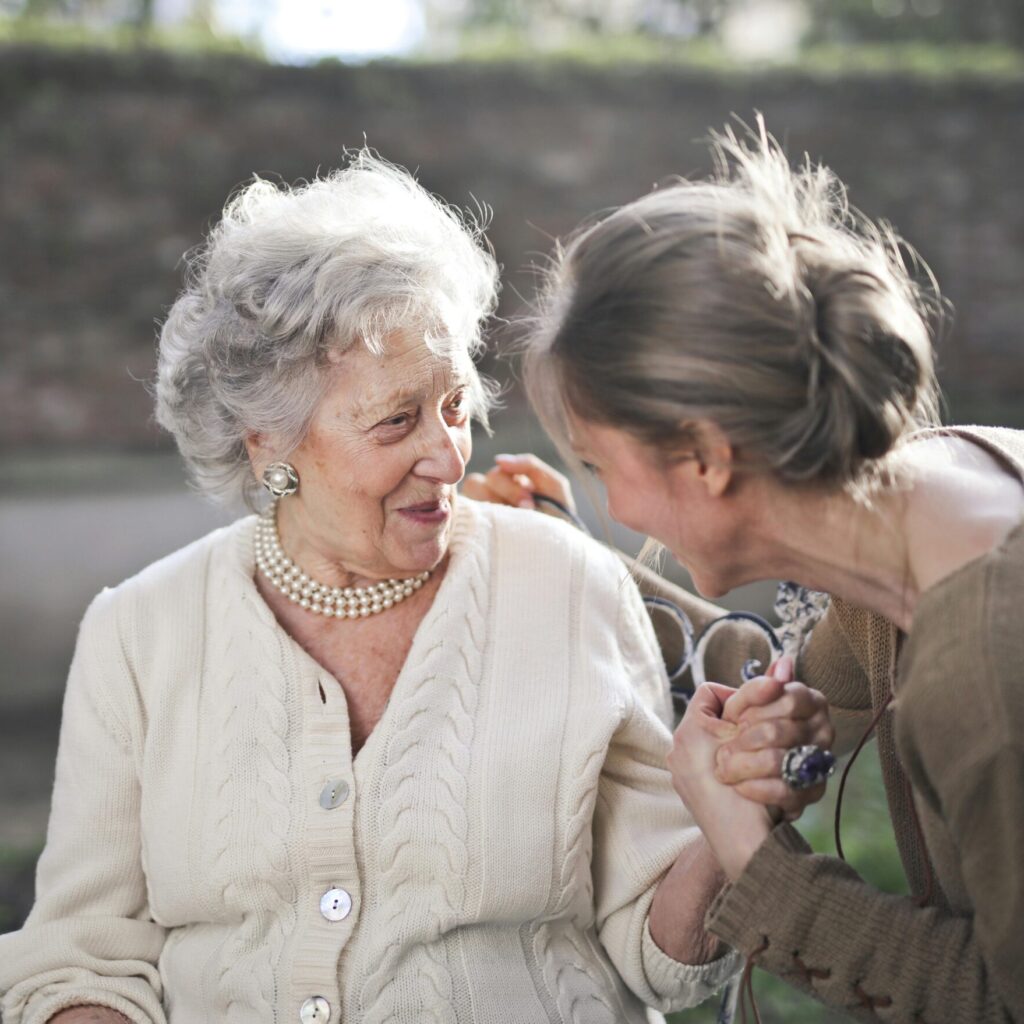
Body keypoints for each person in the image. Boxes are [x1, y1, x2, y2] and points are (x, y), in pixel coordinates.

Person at [0, 154, 772, 1024]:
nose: (447, 457)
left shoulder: (566, 585)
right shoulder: (139, 633)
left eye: (454, 406)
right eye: (397, 420)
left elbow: (662, 958)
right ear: (268, 444)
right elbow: (80, 956)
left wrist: (727, 815)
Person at [495, 122, 1024, 1022]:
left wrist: (756, 863)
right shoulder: (942, 494)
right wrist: (562, 549)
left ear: (702, 457)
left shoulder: (985, 664)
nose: (615, 506)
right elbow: (769, 669)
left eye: (600, 468)